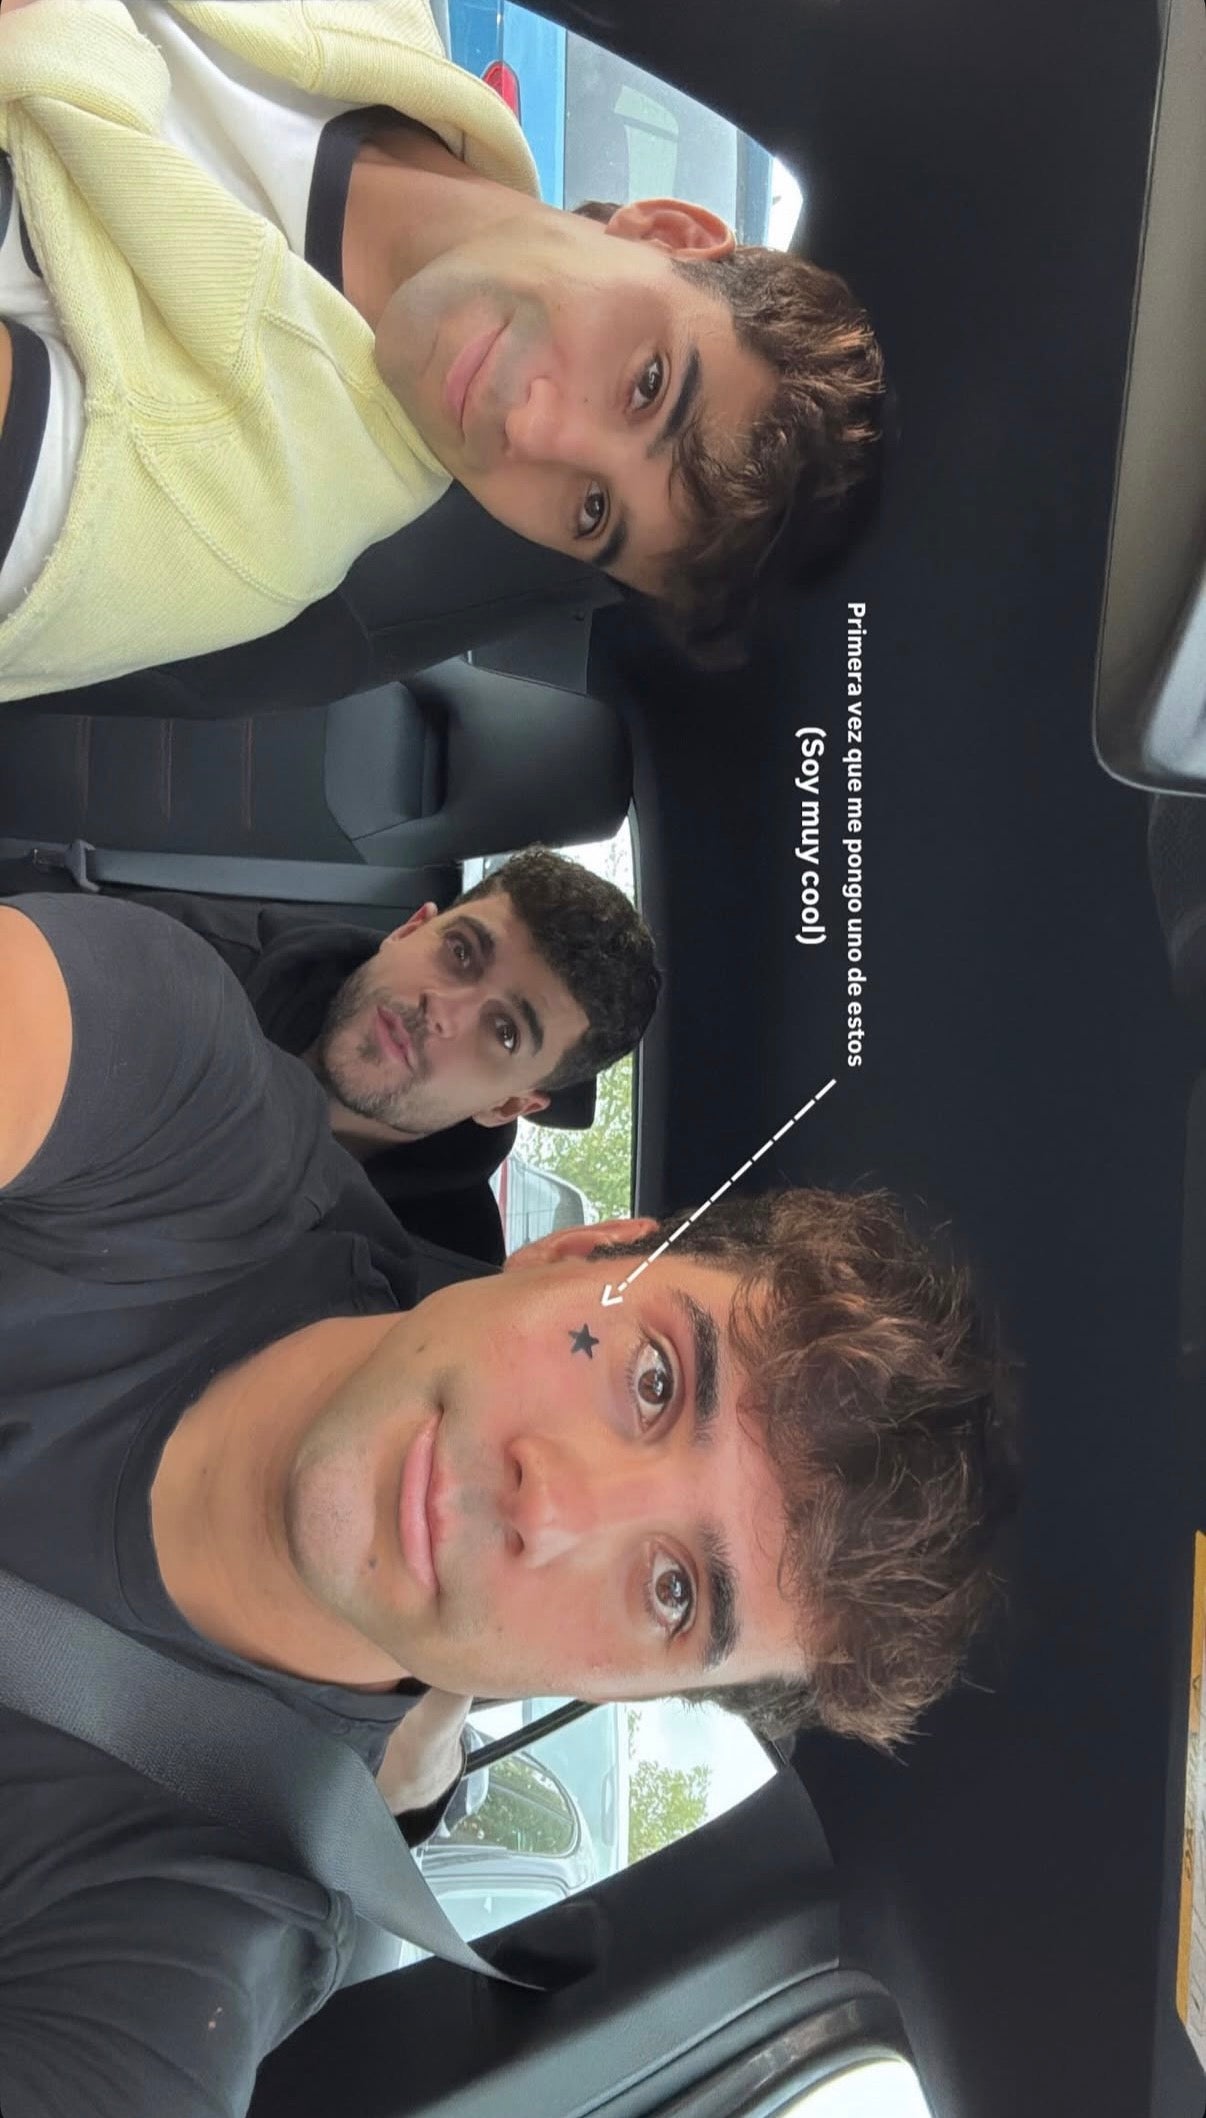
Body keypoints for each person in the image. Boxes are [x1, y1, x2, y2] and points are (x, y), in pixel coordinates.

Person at [0, 892, 1016, 2117]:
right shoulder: (178, 1099)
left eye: (672, 1591)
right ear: (576, 1254)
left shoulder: (197, 1926)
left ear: (622, 1690)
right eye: (656, 1381)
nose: (557, 1507)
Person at [0, 0, 886, 705]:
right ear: (669, 231)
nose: (531, 430)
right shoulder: (380, 24)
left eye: (589, 513)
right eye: (645, 386)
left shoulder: (225, 518)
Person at [127, 846, 662, 1262]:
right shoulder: (183, 963)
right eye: (460, 952)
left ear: (507, 1106)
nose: (442, 1010)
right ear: (410, 929)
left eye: (504, 1032)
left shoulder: (427, 1278)